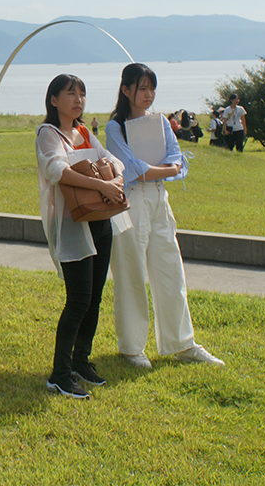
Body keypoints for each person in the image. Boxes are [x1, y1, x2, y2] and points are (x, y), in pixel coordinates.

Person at [105, 63, 224, 369]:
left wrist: (158, 170)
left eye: (151, 88)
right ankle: (132, 347)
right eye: (142, 88)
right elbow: (130, 169)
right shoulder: (115, 127)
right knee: (130, 273)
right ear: (126, 90)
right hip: (129, 203)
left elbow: (178, 162)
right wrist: (162, 170)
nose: (148, 94)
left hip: (159, 199)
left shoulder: (160, 122)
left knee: (171, 269)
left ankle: (182, 343)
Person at [35, 74, 129, 400]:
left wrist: (115, 176)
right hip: (72, 223)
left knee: (94, 298)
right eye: (70, 94)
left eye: (82, 94)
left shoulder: (85, 131)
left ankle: (80, 360)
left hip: (100, 219)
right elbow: (56, 170)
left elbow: (112, 158)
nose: (78, 100)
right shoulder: (48, 133)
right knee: (77, 300)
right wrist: (103, 186)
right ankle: (59, 374)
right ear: (53, 100)